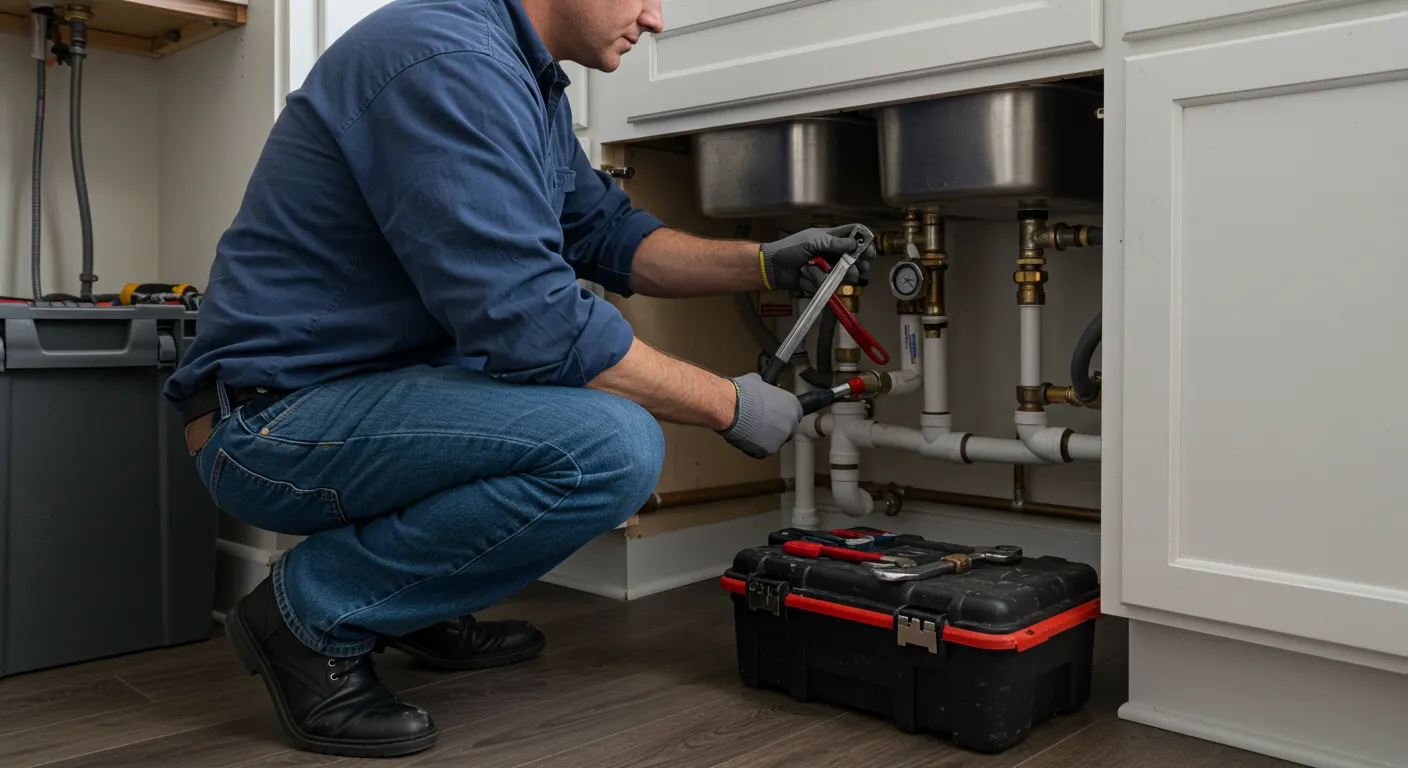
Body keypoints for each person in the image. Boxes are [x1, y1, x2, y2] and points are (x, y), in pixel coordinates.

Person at [164, 0, 875, 758]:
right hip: (270, 423)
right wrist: (729, 405)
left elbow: (607, 234)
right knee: (611, 446)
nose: (657, 18)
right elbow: (527, 319)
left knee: (554, 403)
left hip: (361, 397)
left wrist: (761, 261)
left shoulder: (523, 77)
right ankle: (306, 614)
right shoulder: (448, 62)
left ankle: (403, 607)